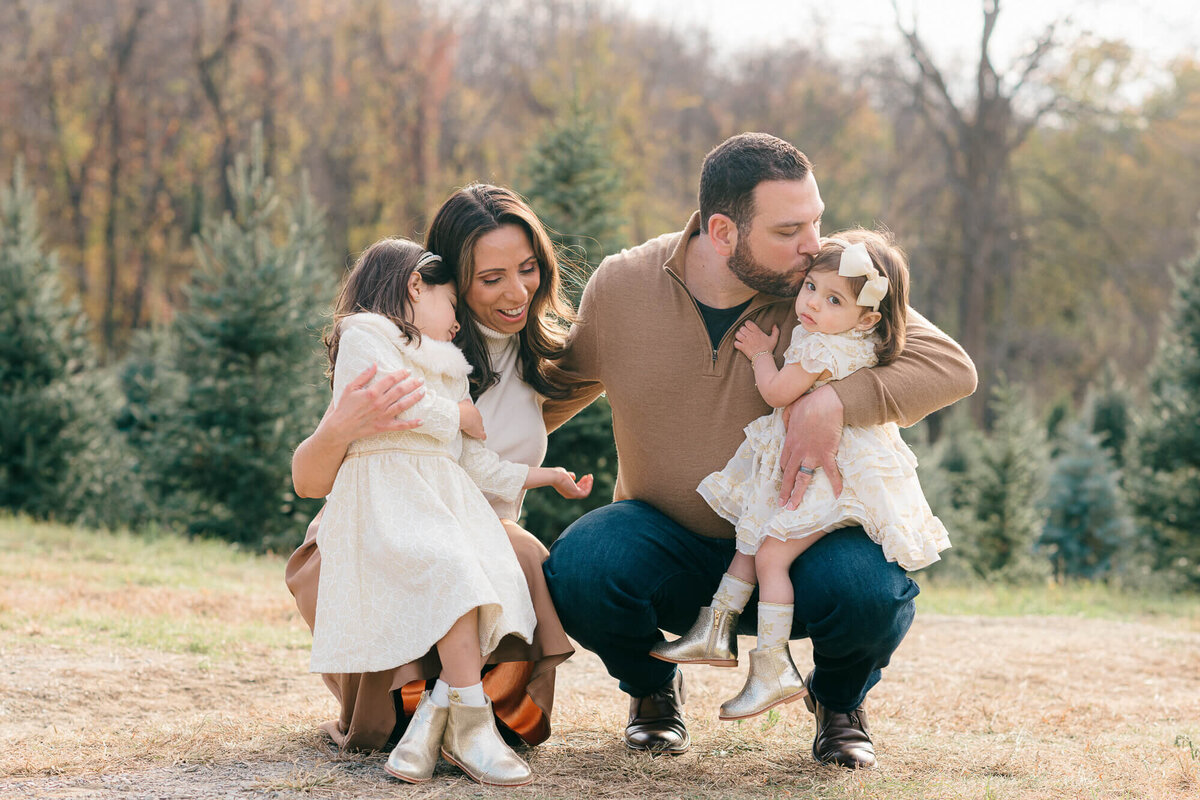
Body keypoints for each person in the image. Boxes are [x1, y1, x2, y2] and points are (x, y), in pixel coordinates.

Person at [541, 132, 977, 768]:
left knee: (870, 592)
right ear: (723, 232)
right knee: (583, 565)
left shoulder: (825, 289)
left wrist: (835, 401)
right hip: (670, 540)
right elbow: (554, 391)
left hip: (801, 542)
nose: (814, 244)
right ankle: (654, 694)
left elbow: (949, 365)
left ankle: (837, 703)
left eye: (816, 220)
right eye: (790, 229)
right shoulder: (623, 285)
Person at [286, 184, 579, 756]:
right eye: (491, 279)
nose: (517, 292)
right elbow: (307, 480)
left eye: (528, 269)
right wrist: (339, 428)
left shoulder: (548, 359)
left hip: (481, 539)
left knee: (517, 552)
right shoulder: (407, 352)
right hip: (386, 529)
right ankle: (420, 705)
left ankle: (469, 706)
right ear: (443, 280)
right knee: (462, 565)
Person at [651, 228, 951, 723]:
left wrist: (760, 355)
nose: (811, 304)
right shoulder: (847, 336)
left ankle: (772, 668)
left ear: (868, 315)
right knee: (750, 538)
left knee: (768, 554)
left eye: (833, 299)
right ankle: (715, 629)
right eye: (810, 287)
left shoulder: (821, 350)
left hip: (825, 479)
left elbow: (775, 392)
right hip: (809, 470)